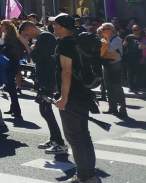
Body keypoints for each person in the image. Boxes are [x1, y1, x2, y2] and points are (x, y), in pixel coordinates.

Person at [51, 14, 100, 183]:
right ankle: (90, 175)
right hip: (83, 93)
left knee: (74, 137)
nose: (53, 27)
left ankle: (83, 176)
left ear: (60, 27)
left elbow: (66, 72)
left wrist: (63, 98)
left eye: (55, 24)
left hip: (71, 96)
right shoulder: (77, 42)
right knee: (83, 136)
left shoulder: (64, 44)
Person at [19, 21, 66, 154]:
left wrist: (27, 46)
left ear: (29, 28)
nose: (27, 37)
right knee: (45, 110)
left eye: (26, 34)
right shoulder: (43, 37)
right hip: (44, 76)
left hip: (47, 77)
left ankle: (59, 142)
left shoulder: (45, 37)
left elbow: (38, 58)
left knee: (45, 109)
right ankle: (54, 138)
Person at [0, 20, 26, 121]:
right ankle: (13, 107)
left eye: (2, 25)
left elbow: (9, 48)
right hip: (11, 62)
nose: (0, 27)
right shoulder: (7, 37)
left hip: (11, 62)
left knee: (11, 86)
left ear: (7, 27)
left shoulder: (11, 37)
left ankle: (17, 109)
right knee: (10, 87)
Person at [99, 23, 127, 116]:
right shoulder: (103, 40)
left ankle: (122, 109)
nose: (102, 31)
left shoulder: (116, 40)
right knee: (108, 88)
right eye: (102, 29)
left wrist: (102, 46)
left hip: (115, 65)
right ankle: (112, 108)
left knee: (117, 87)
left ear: (110, 30)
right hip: (106, 64)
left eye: (104, 29)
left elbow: (108, 49)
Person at [122, 25, 144, 93]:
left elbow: (144, 48)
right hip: (130, 57)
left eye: (136, 30)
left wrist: (143, 58)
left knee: (139, 73)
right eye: (133, 30)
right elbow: (124, 45)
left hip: (139, 57)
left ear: (140, 30)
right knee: (130, 73)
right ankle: (131, 87)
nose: (134, 31)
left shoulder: (143, 38)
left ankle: (136, 87)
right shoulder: (129, 37)